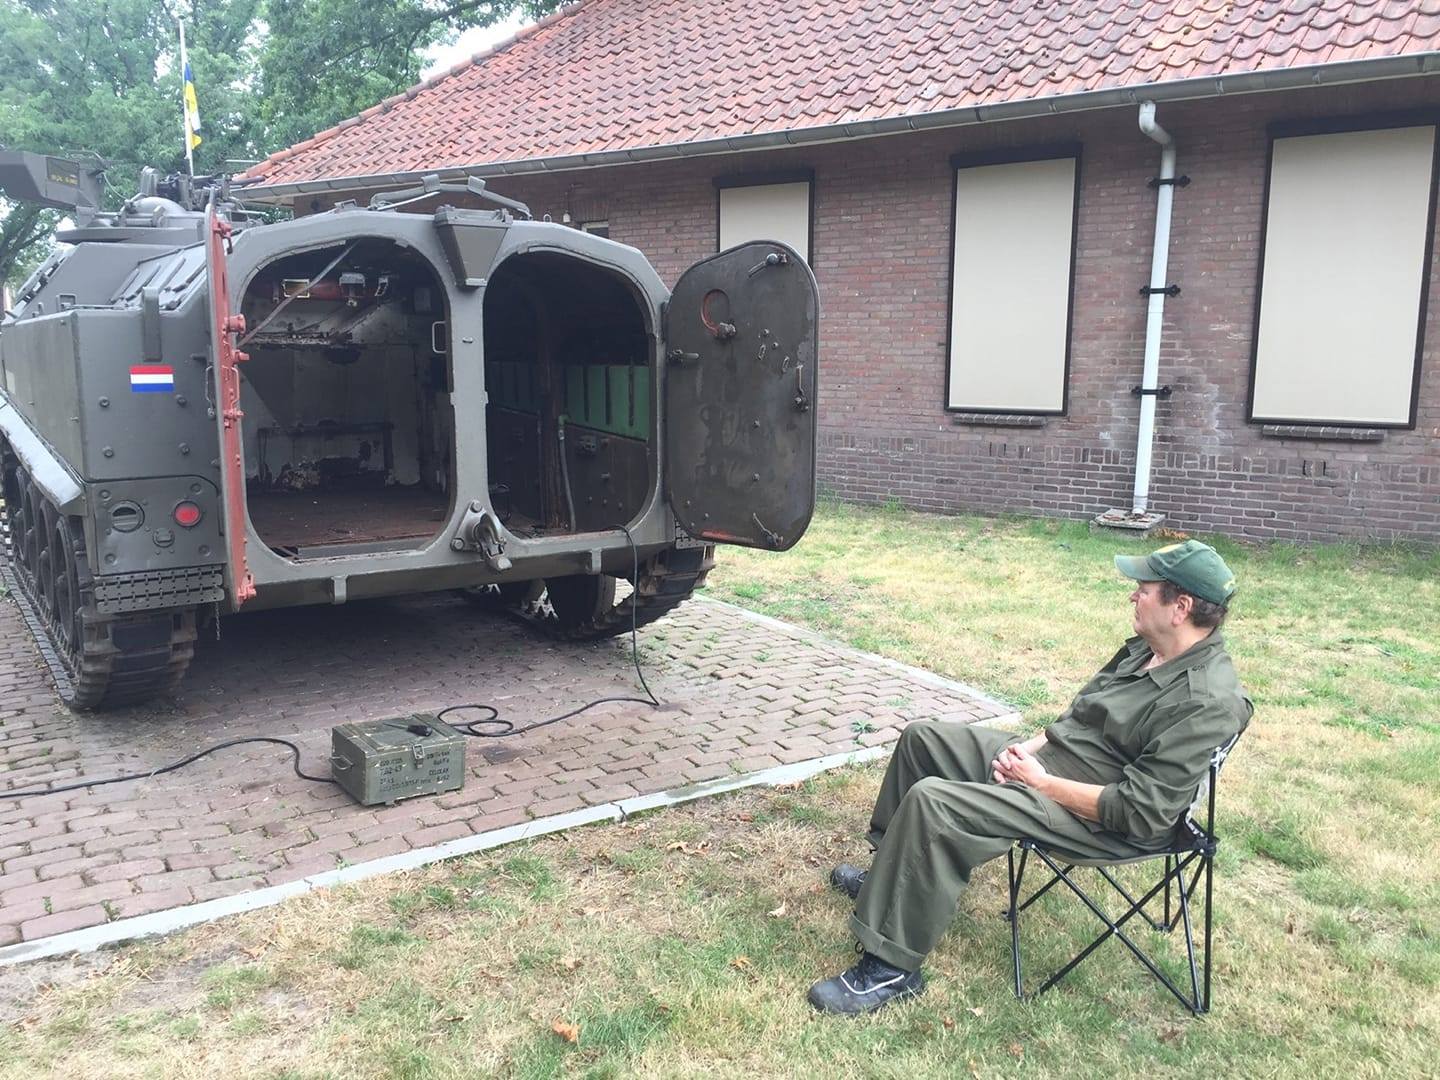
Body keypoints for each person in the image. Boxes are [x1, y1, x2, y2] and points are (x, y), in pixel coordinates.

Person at [808, 539, 1253, 1015]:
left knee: (934, 803)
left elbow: (1140, 812)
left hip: (1098, 816)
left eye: (1143, 590)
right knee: (923, 740)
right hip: (1054, 767)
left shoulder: (1206, 701)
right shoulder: (1148, 648)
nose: (1133, 596)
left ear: (1180, 607)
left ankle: (891, 968)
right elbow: (1081, 715)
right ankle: (889, 881)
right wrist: (1029, 749)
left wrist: (1037, 781)